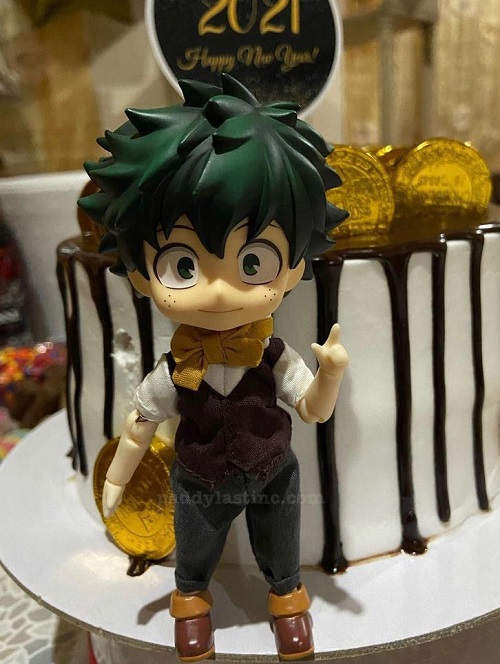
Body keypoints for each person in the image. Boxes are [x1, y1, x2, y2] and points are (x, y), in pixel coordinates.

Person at [79, 73, 348, 662]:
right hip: (200, 479)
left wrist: (329, 373)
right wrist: (118, 480)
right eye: (183, 264)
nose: (222, 291)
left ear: (293, 267)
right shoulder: (175, 367)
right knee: (195, 548)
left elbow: (311, 410)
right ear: (141, 275)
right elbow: (139, 425)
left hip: (273, 470)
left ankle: (288, 601)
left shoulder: (273, 355)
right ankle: (192, 603)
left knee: (280, 541)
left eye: (254, 261)